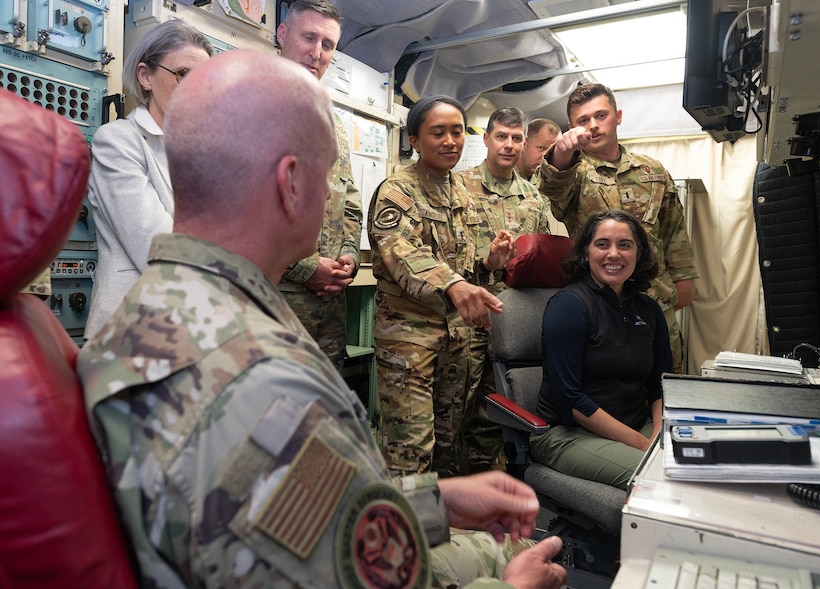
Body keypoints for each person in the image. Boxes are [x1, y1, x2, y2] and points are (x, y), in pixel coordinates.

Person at [78, 49, 567, 589]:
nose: (335, 191)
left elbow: (286, 505)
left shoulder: (166, 306)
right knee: (523, 558)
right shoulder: (265, 378)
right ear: (290, 183)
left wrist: (433, 502)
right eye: (328, 170)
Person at [368, 95, 516, 478]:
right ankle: (406, 534)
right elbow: (402, 253)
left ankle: (445, 528)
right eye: (438, 132)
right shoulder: (397, 191)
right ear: (414, 140)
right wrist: (454, 284)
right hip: (410, 342)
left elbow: (461, 266)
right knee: (411, 450)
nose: (450, 140)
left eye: (456, 131)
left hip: (456, 340)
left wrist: (488, 264)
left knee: (450, 444)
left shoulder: (461, 194)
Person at [538, 83, 697, 373]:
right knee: (609, 379)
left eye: (601, 116)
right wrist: (562, 152)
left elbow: (673, 229)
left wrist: (684, 277)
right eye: (583, 121)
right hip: (599, 302)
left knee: (666, 375)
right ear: (572, 127)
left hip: (655, 297)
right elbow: (553, 184)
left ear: (618, 116)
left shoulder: (653, 171)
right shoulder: (574, 171)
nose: (594, 126)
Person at [83, 19, 213, 339]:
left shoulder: (204, 154)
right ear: (145, 77)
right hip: (131, 332)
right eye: (184, 75)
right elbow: (158, 248)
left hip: (193, 330)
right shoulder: (118, 140)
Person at [531, 209, 671, 489]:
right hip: (569, 433)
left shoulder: (649, 310)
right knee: (659, 477)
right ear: (585, 254)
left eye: (625, 245)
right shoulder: (569, 306)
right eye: (602, 244)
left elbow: (661, 385)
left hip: (634, 425)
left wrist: (658, 435)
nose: (614, 254)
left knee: (696, 467)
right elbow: (570, 400)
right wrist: (645, 446)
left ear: (639, 254)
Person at [458, 107, 555, 473]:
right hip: (465, 318)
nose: (509, 145)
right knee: (454, 412)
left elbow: (542, 260)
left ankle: (486, 493)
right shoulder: (458, 188)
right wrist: (485, 263)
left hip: (512, 320)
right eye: (501, 136)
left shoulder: (534, 197)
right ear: (486, 139)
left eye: (517, 138)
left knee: (495, 411)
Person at [275, 0, 363, 370]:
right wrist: (307, 267)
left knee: (321, 412)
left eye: (328, 45)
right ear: (283, 35)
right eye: (309, 38)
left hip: (329, 305)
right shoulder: (253, 104)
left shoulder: (333, 123)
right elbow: (240, 204)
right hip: (276, 298)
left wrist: (349, 259)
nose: (317, 53)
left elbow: (350, 202)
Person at [516, 118, 561, 184]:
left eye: (552, 152)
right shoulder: (502, 173)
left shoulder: (541, 182)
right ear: (524, 144)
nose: (545, 157)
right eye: (541, 148)